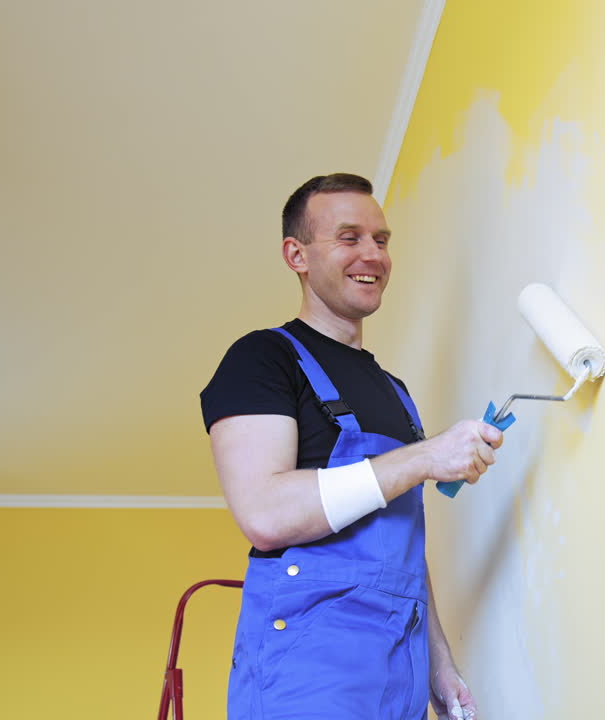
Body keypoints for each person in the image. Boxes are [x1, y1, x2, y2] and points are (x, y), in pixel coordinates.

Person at [200, 173, 502, 720]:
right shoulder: (264, 358)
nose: (373, 254)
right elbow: (265, 513)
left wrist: (439, 664)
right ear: (297, 254)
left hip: (399, 670)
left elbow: (400, 543)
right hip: (311, 672)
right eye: (349, 237)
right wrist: (425, 456)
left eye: (381, 240)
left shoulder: (396, 394)